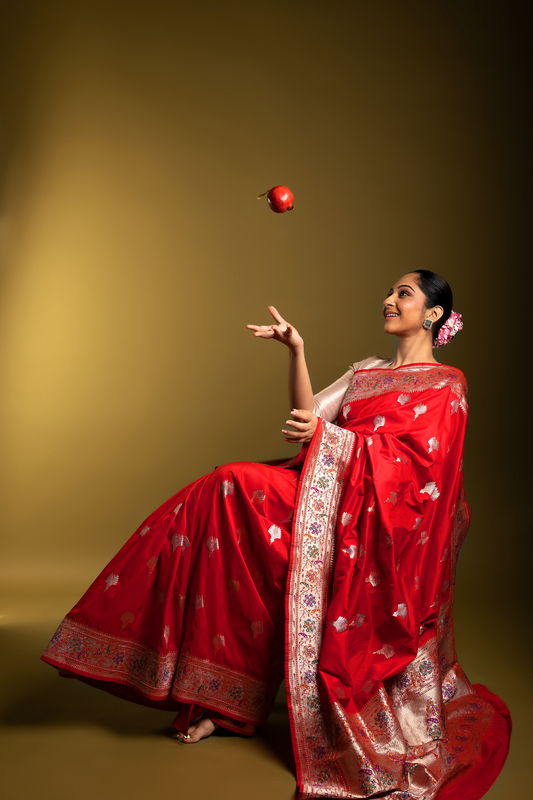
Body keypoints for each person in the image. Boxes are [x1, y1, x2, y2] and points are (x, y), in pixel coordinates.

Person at [42, 270, 511, 799]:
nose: (388, 299)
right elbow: (309, 418)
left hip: (372, 526)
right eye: (389, 290)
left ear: (433, 314)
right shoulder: (366, 372)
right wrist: (297, 352)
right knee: (224, 500)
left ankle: (225, 695)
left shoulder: (447, 384)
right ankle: (222, 699)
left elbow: (424, 473)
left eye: (404, 293)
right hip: (324, 496)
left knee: (234, 482)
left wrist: (336, 444)